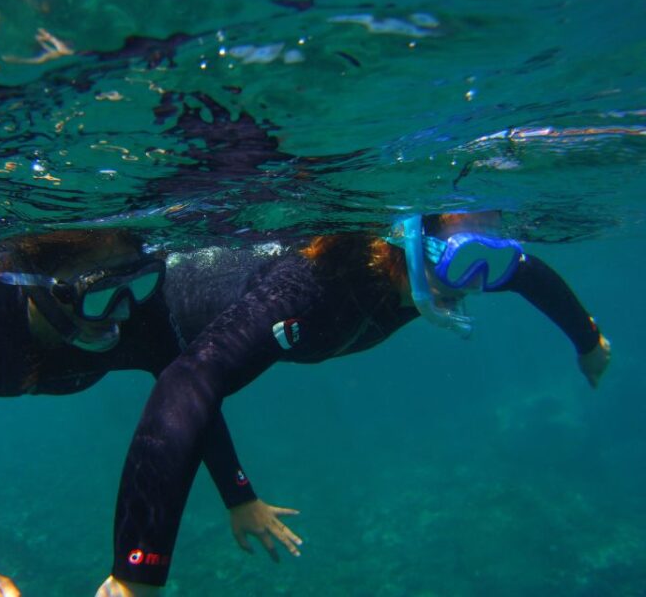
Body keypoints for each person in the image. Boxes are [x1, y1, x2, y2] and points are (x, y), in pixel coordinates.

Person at [100, 211, 611, 596]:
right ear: (411, 239)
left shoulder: (432, 274)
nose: (475, 283)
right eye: (465, 259)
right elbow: (188, 380)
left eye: (490, 263)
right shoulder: (314, 286)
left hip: (184, 356)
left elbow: (527, 273)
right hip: (128, 320)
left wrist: (589, 341)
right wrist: (136, 571)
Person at [0, 229, 304, 597]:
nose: (122, 312)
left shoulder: (141, 312)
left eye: (138, 283)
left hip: (36, 372)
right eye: (101, 292)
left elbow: (191, 395)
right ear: (42, 288)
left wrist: (239, 497)